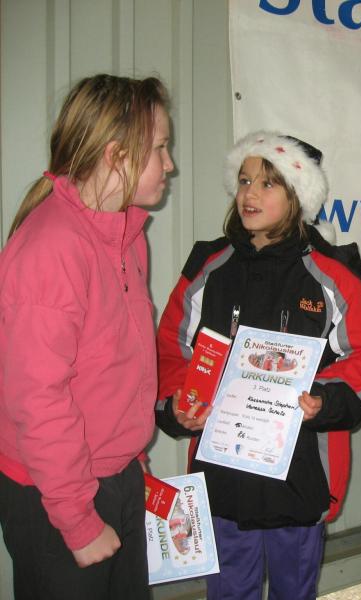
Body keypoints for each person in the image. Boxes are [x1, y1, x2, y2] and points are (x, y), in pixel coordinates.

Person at [155, 130, 361, 600]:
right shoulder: (208, 267)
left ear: (297, 194)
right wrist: (180, 403)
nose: (250, 193)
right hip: (223, 478)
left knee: (293, 591)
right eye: (245, 181)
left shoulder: (331, 274)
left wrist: (323, 399)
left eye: (268, 183)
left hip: (299, 479)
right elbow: (170, 349)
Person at [0, 74, 174, 599]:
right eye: (160, 148)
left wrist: (129, 457)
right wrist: (77, 519)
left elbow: (113, 366)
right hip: (57, 493)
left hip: (114, 475)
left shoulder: (126, 235)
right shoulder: (52, 247)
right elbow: (37, 399)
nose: (169, 164)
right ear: (117, 155)